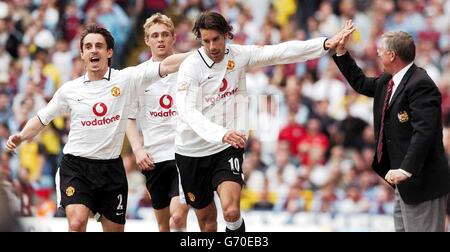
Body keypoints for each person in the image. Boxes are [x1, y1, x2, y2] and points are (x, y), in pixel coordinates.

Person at [175, 11, 354, 232]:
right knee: (207, 222)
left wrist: (325, 43)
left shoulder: (238, 55)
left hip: (224, 146)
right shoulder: (190, 67)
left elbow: (279, 52)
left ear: (226, 35)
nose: (212, 46)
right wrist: (219, 132)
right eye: (206, 41)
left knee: (231, 211)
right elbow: (187, 110)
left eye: (216, 39)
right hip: (191, 150)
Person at [5, 24, 190, 232]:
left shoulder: (126, 79)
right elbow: (42, 118)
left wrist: (200, 54)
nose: (94, 50)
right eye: (89, 46)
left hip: (111, 169)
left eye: (99, 46)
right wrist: (21, 136)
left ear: (109, 52)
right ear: (82, 54)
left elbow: (165, 66)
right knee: (76, 223)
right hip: (76, 167)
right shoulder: (69, 90)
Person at [332, 25, 450, 232]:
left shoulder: (421, 84)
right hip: (403, 184)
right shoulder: (389, 80)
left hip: (422, 182)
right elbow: (361, 83)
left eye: (381, 49)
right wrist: (341, 52)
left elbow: (425, 132)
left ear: (392, 55)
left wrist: (406, 169)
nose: (377, 52)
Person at [126, 13, 194, 232]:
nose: (160, 39)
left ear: (174, 37)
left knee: (177, 218)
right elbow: (129, 115)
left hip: (183, 152)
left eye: (165, 34)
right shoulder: (138, 74)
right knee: (164, 226)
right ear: (147, 40)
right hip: (154, 158)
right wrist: (137, 149)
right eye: (155, 35)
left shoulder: (189, 67)